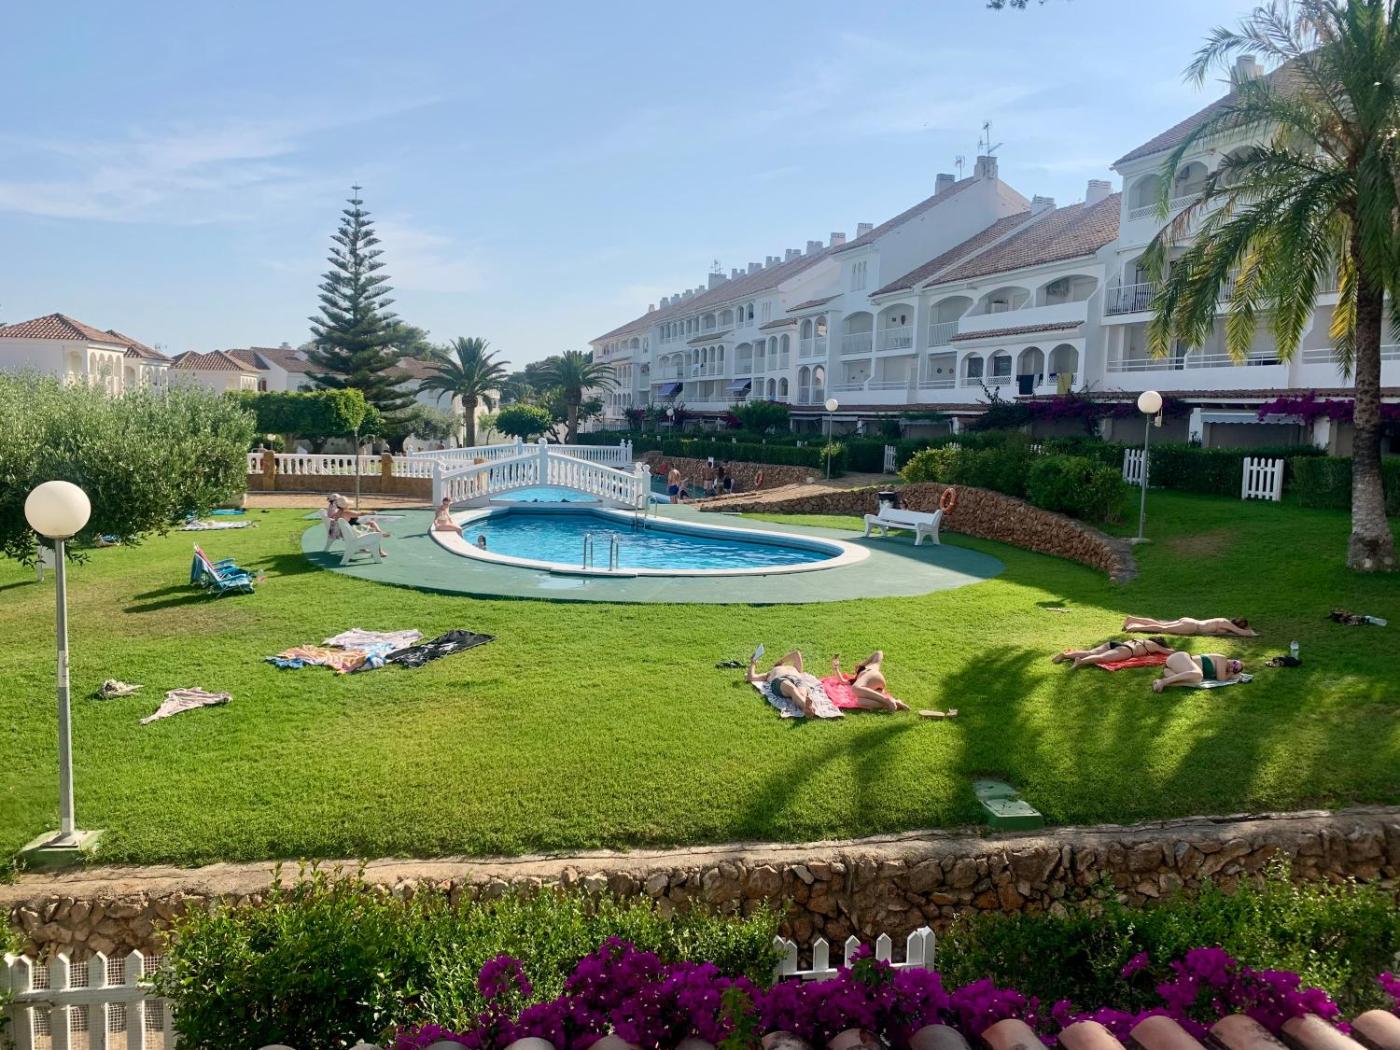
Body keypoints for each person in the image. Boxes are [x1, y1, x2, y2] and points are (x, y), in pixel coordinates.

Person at [746, 649, 820, 717]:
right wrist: (753, 662)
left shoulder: (796, 669)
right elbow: (751, 677)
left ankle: (807, 707)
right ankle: (805, 707)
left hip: (797, 679)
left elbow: (796, 654)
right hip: (781, 680)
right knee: (792, 689)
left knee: (802, 694)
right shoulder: (769, 673)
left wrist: (780, 661)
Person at [827, 651, 909, 711]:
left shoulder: (869, 666)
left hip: (872, 674)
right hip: (876, 686)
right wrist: (836, 668)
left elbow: (879, 653)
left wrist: (863, 664)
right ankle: (895, 703)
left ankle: (887, 700)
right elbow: (842, 681)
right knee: (859, 701)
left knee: (855, 688)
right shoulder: (855, 679)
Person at [1051, 637, 1174, 669]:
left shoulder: (1140, 639)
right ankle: (1080, 662)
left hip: (1115, 643)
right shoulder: (1154, 645)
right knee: (1102, 658)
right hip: (1127, 650)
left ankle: (1065, 655)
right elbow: (1168, 652)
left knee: (1090, 652)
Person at [1153, 651, 1245, 692]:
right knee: (1199, 675)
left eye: (1235, 668)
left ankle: (1166, 682)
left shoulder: (1222, 670)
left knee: (1196, 681)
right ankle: (1163, 681)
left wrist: (1232, 673)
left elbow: (1222, 678)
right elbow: (1221, 679)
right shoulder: (1223, 659)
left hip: (1172, 669)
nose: (1233, 665)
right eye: (1235, 662)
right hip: (1179, 657)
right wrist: (1232, 673)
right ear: (1232, 659)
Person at [1122, 615, 1256, 637]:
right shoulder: (1226, 623)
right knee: (1162, 628)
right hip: (1192, 627)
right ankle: (1135, 627)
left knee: (1160, 624)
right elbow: (1242, 633)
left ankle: (1133, 619)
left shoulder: (1224, 623)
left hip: (1190, 622)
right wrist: (1252, 633)